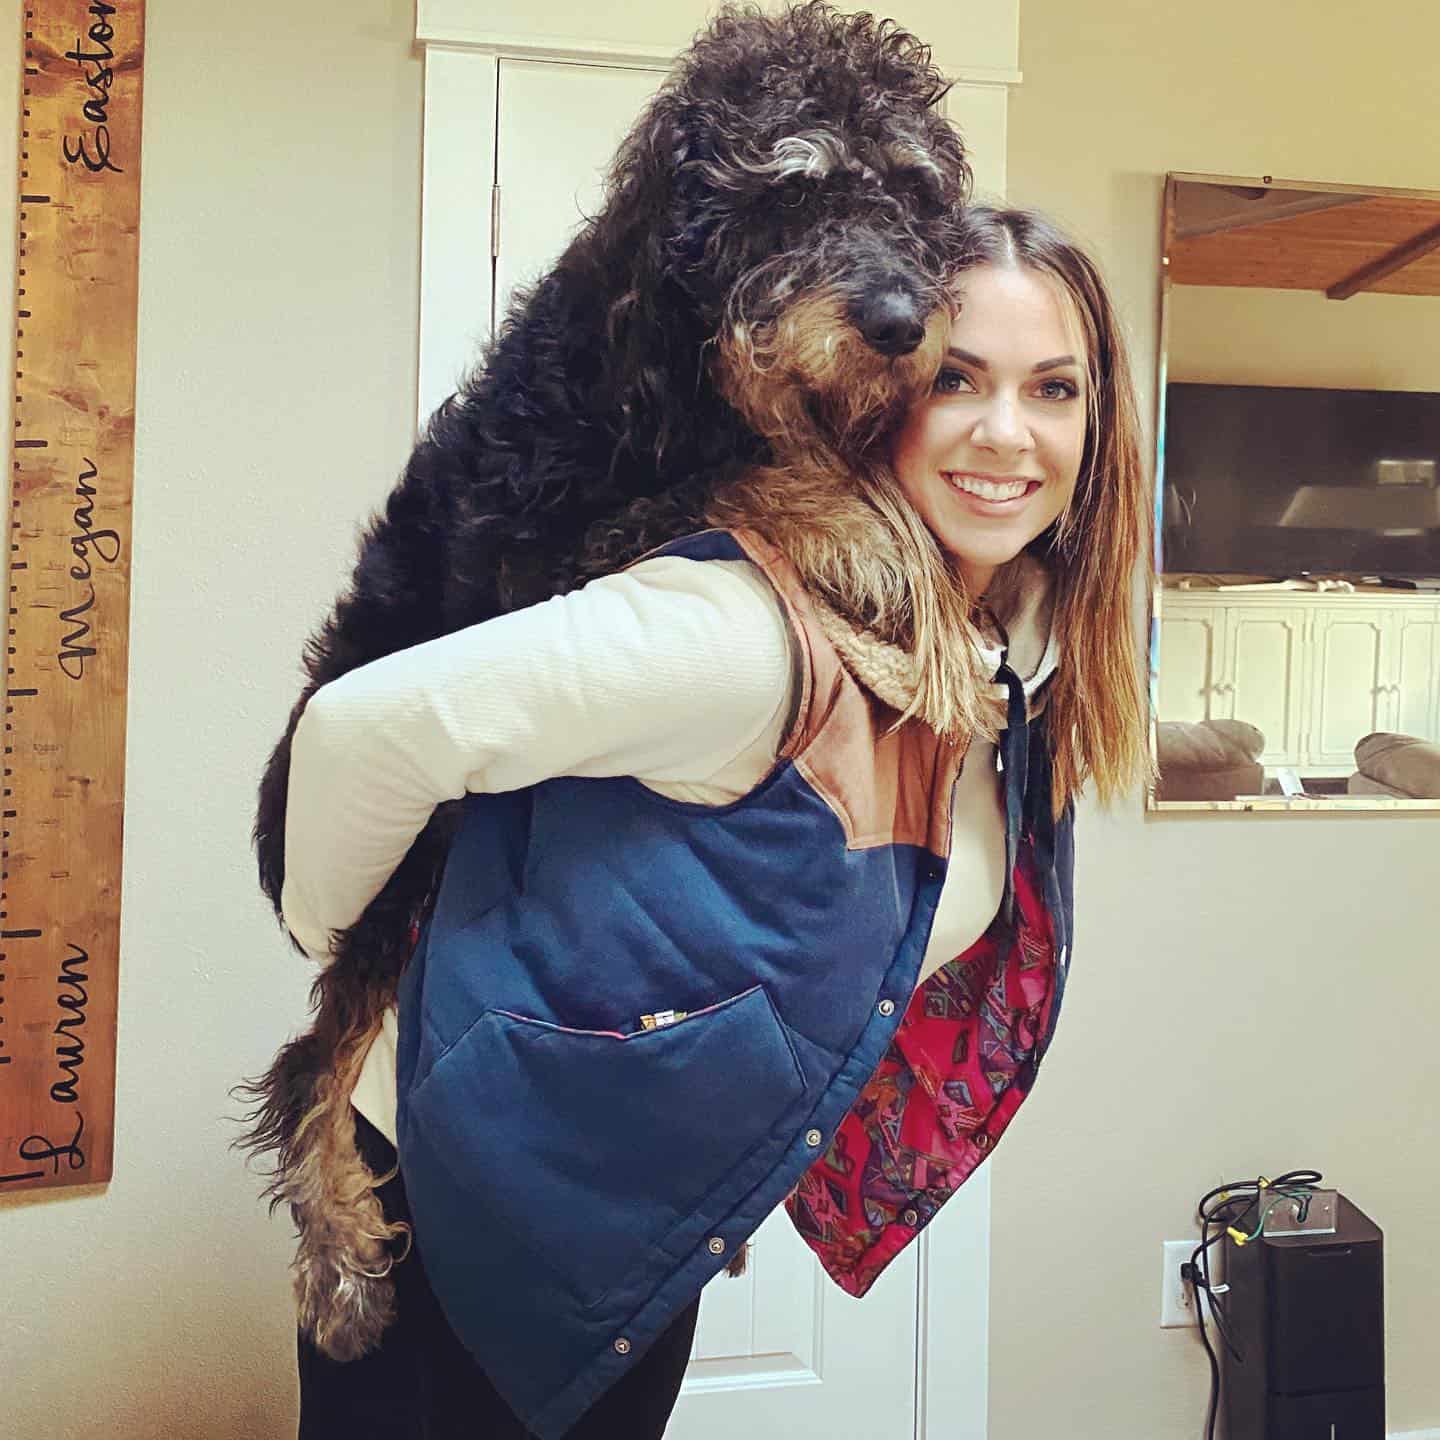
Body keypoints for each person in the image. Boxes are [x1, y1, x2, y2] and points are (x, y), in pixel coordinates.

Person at [280, 204, 1149, 1440]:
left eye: (1052, 388)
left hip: (633, 1226)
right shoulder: (751, 636)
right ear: (877, 397)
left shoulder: (997, 654)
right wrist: (342, 951)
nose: (1006, 433)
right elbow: (364, 731)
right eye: (955, 378)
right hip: (455, 1216)